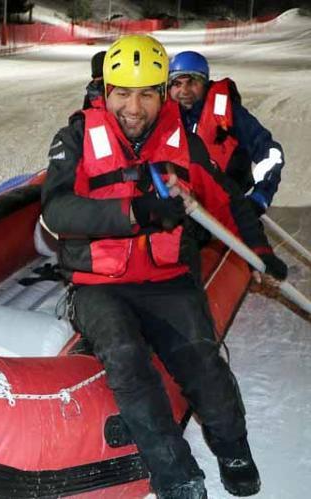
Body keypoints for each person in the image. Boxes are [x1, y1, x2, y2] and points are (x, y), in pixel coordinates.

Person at [41, 34, 287, 499]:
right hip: (99, 284)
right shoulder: (75, 138)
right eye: (122, 94)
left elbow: (227, 199)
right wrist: (137, 211)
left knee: (203, 360)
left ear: (162, 93)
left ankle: (233, 448)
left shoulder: (184, 143)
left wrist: (259, 248)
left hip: (166, 279)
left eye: (146, 95)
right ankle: (175, 474)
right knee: (126, 359)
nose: (134, 108)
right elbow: (57, 211)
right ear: (105, 91)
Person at [168, 51, 284, 215]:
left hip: (226, 205)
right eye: (177, 84)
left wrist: (260, 197)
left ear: (205, 83)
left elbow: (271, 153)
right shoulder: (163, 116)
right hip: (180, 204)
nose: (184, 90)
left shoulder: (230, 114)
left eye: (192, 82)